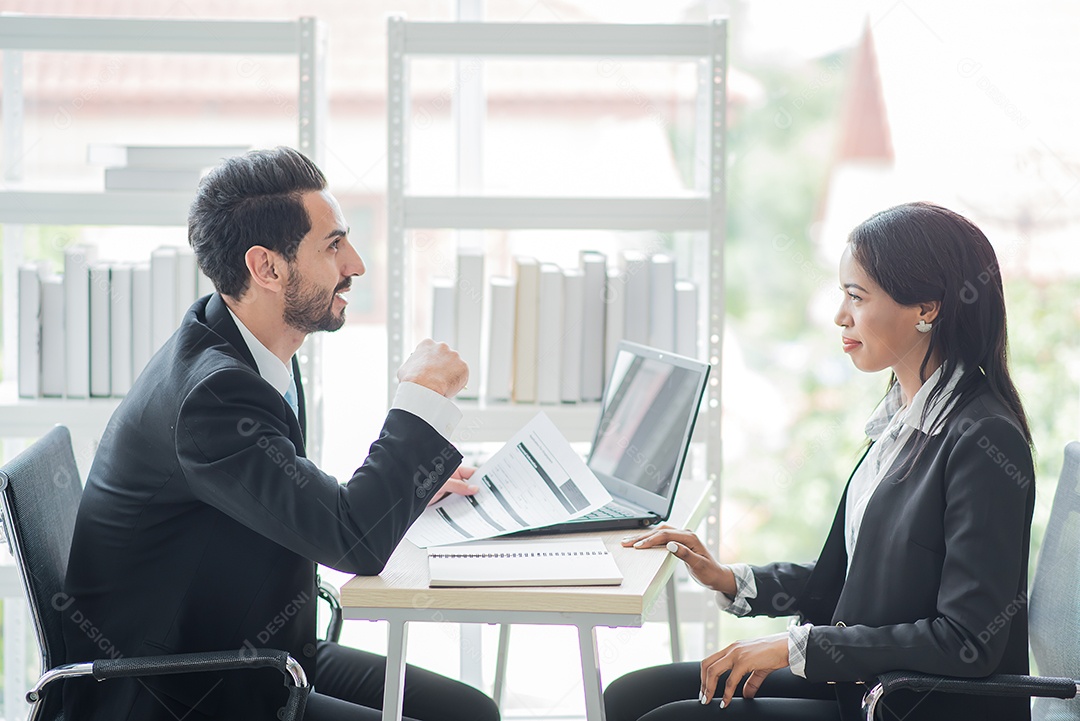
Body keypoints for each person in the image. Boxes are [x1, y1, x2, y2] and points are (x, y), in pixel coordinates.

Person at [61, 147, 500, 721]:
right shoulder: (214, 396)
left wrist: (407, 489)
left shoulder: (249, 347)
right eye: (334, 245)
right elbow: (356, 544)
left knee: (469, 712)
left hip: (261, 655)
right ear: (267, 268)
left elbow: (300, 502)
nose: (357, 264)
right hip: (185, 693)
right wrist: (421, 401)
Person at [605, 202, 1035, 721]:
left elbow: (967, 639)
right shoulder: (903, 416)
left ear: (927, 307)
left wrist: (792, 646)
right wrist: (730, 579)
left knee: (668, 717)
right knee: (631, 695)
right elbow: (859, 580)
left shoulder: (984, 439)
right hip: (867, 680)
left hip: (910, 703)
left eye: (857, 296)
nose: (840, 316)